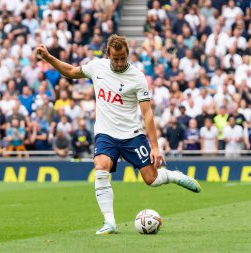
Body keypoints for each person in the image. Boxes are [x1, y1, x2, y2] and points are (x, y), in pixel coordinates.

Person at [36, 34, 201, 235]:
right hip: (106, 133)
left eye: (123, 58)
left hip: (132, 134)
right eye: (115, 59)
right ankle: (109, 222)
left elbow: (147, 113)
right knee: (101, 167)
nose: (120, 62)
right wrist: (48, 58)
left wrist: (155, 147)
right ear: (108, 55)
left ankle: (174, 176)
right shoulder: (97, 67)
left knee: (152, 179)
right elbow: (70, 71)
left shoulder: (137, 77)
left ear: (128, 54)